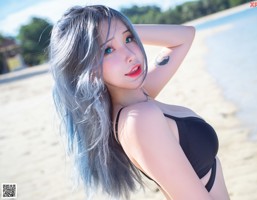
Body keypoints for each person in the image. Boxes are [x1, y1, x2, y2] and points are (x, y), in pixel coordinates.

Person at [49, 5, 230, 200]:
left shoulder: (138, 96)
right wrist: (119, 31)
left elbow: (185, 36)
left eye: (129, 39)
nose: (130, 55)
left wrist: (119, 26)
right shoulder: (140, 119)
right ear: (90, 69)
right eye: (108, 50)